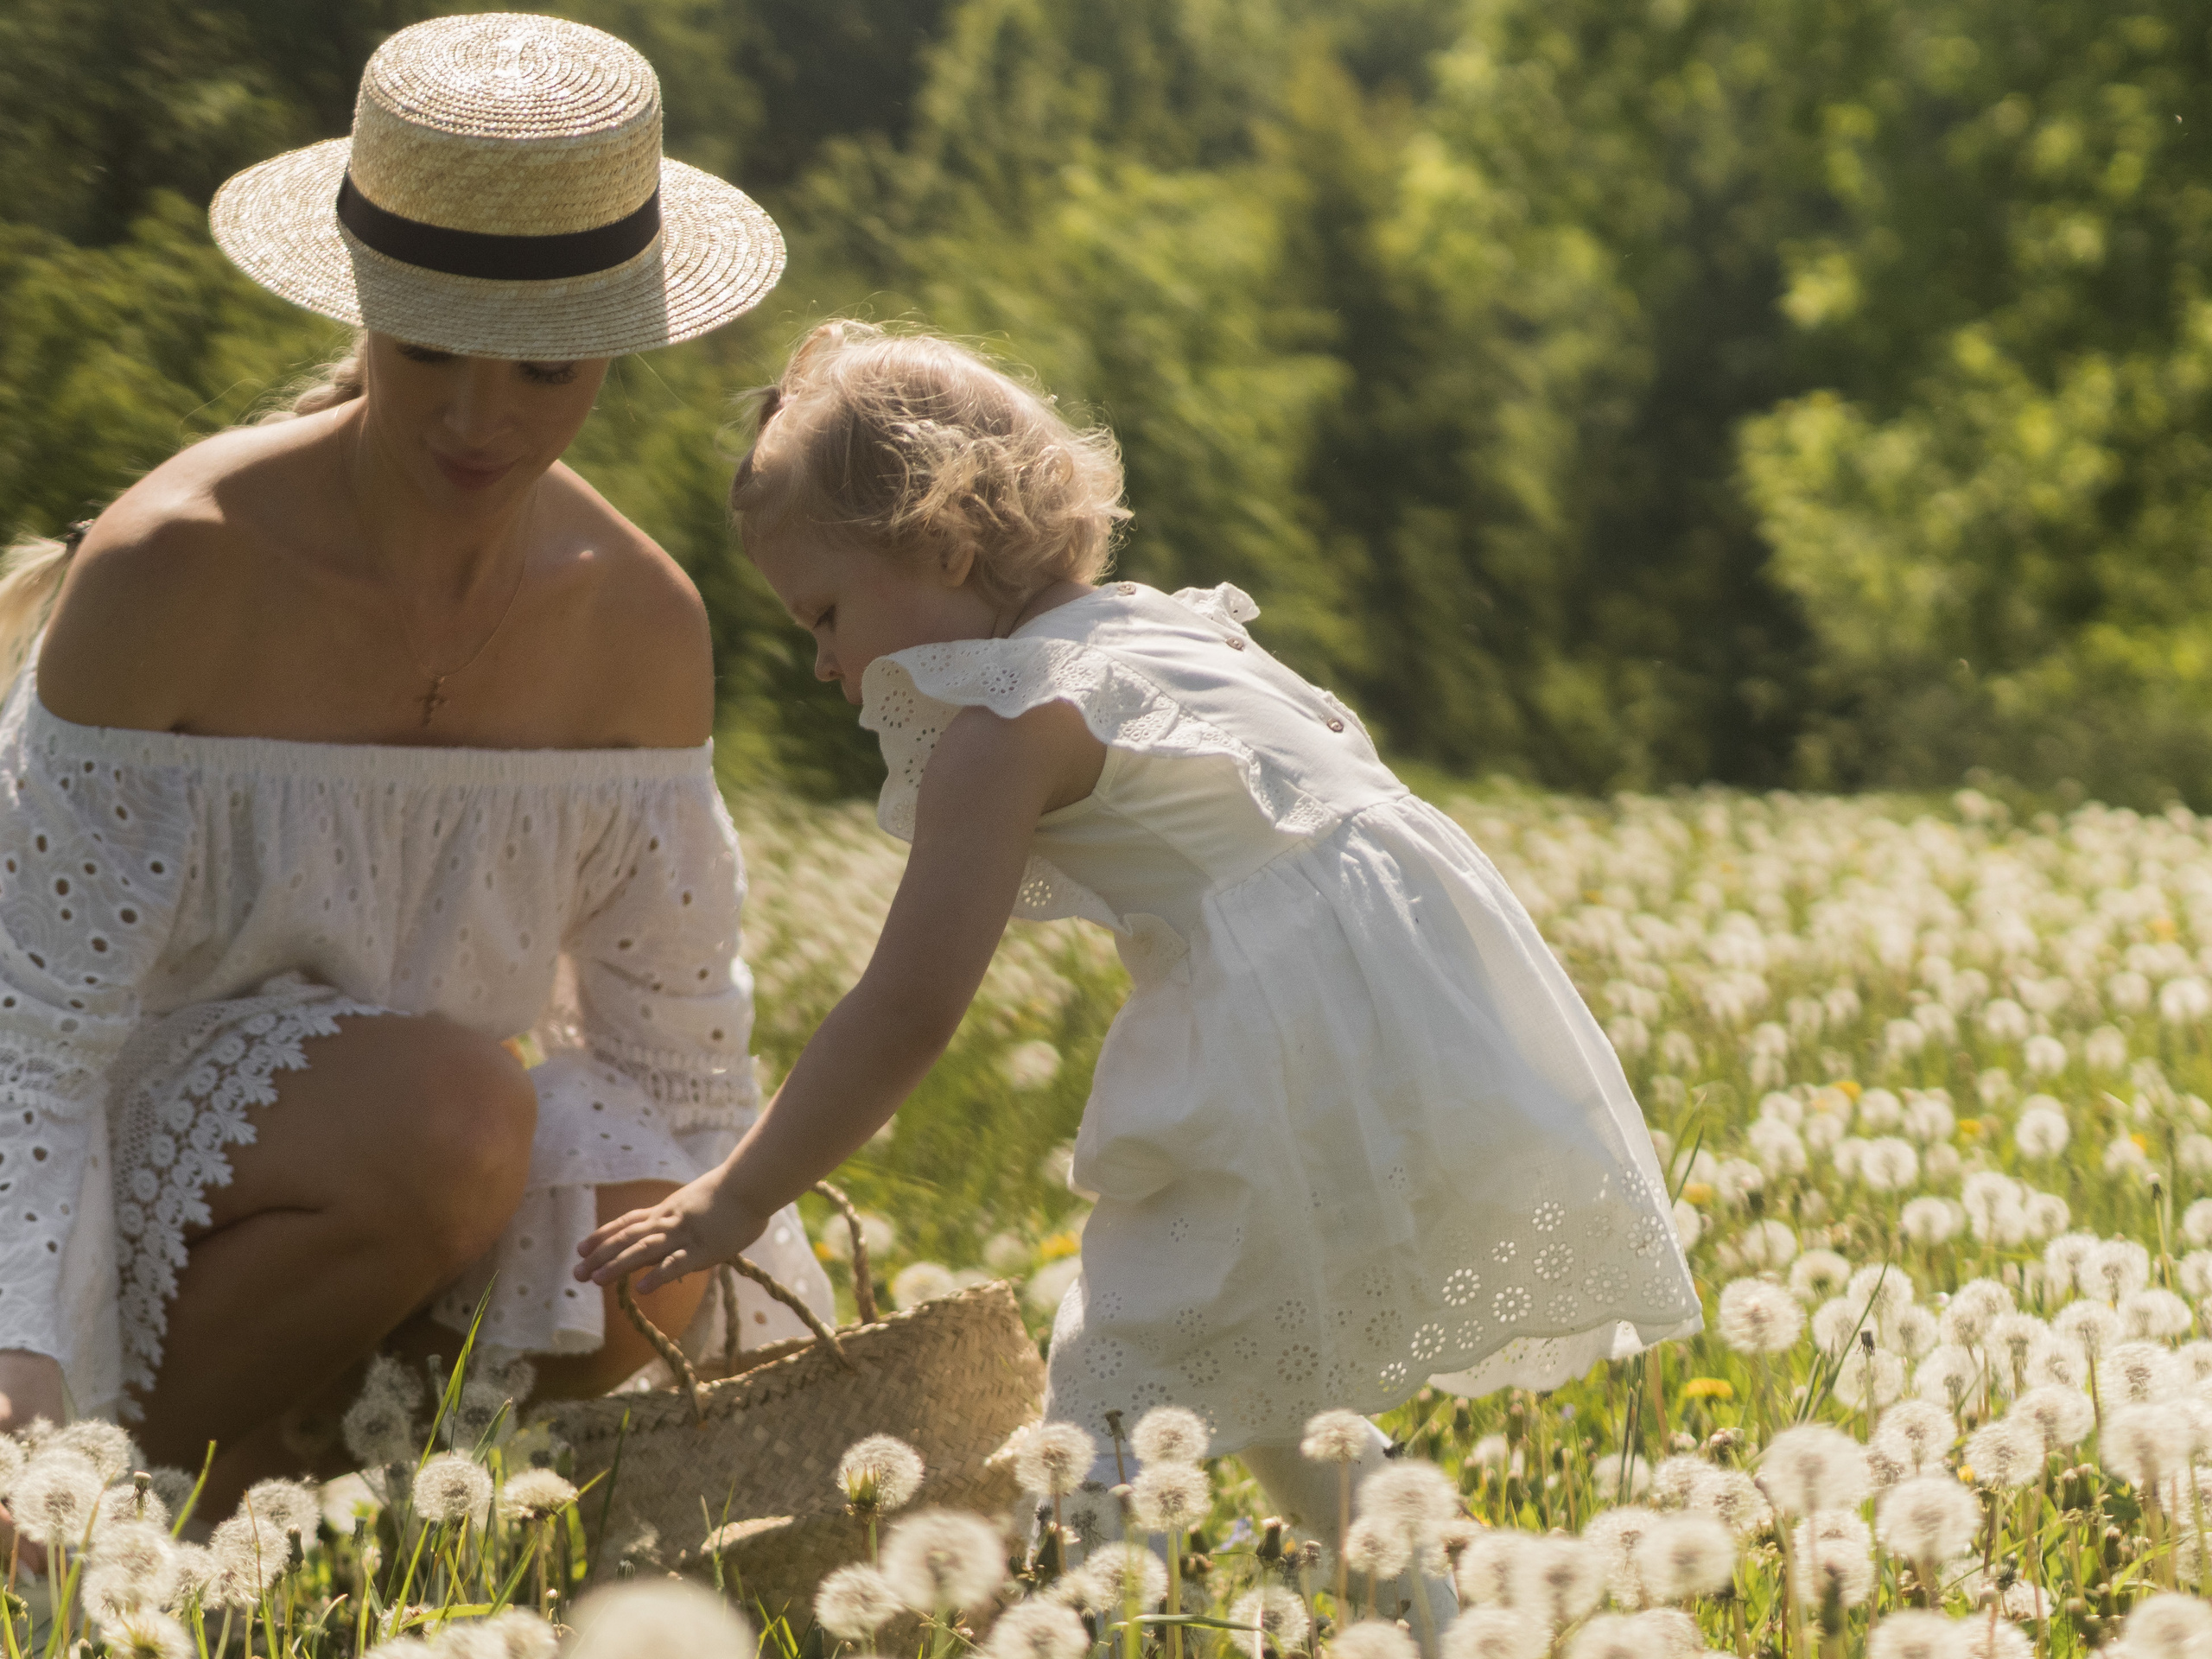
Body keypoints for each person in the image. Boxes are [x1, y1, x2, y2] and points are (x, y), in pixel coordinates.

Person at [578, 322, 1705, 1555]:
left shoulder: (1004, 728)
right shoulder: (1176, 634)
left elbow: (905, 1006)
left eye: (827, 613)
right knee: (1270, 1369)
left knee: (1108, 1383)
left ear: (948, 546)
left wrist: (737, 1196)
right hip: (1420, 1023)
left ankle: (1103, 1613)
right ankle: (1427, 1615)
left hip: (1272, 1043)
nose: (822, 661)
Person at [0, 12, 830, 1524]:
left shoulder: (639, 624)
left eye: (540, 368)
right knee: (456, 1119)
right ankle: (83, 1517)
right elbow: (30, 1047)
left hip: (393, 1194)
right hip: (109, 1161)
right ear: (363, 308)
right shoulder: (177, 565)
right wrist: (18, 1380)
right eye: (429, 346)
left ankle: (280, 1506)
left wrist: (764, 1344)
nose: (474, 416)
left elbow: (679, 1069)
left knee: (641, 1236)